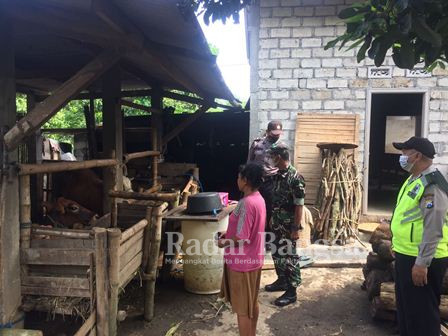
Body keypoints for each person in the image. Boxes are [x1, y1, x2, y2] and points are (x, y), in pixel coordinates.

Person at [391, 136, 448, 336]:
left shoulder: (433, 184)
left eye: (405, 152)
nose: (402, 156)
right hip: (407, 254)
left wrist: (422, 263)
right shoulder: (414, 179)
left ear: (416, 156)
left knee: (422, 317)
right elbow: (407, 216)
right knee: (408, 313)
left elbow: (433, 227)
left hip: (423, 260)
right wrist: (395, 242)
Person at [218, 163, 266, 336]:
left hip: (242, 263)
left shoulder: (246, 203)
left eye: (239, 177)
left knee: (242, 311)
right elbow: (248, 228)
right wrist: (227, 232)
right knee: (251, 303)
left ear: (245, 181)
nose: (237, 180)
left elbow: (242, 237)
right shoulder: (258, 198)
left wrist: (224, 243)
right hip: (254, 259)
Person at [264, 144, 305, 307]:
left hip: (288, 224)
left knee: (289, 257)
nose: (271, 160)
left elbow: (299, 205)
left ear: (279, 157)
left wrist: (295, 228)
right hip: (277, 221)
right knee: (276, 253)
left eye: (272, 156)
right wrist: (272, 218)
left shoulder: (295, 177)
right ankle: (281, 280)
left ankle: (292, 291)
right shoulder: (278, 175)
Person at [247, 121, 286, 237]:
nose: (276, 136)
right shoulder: (257, 144)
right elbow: (249, 162)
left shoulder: (281, 147)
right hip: (257, 181)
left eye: (278, 133)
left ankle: (268, 239)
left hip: (272, 182)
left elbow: (284, 167)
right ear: (268, 132)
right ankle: (252, 235)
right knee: (253, 208)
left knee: (270, 210)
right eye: (274, 133)